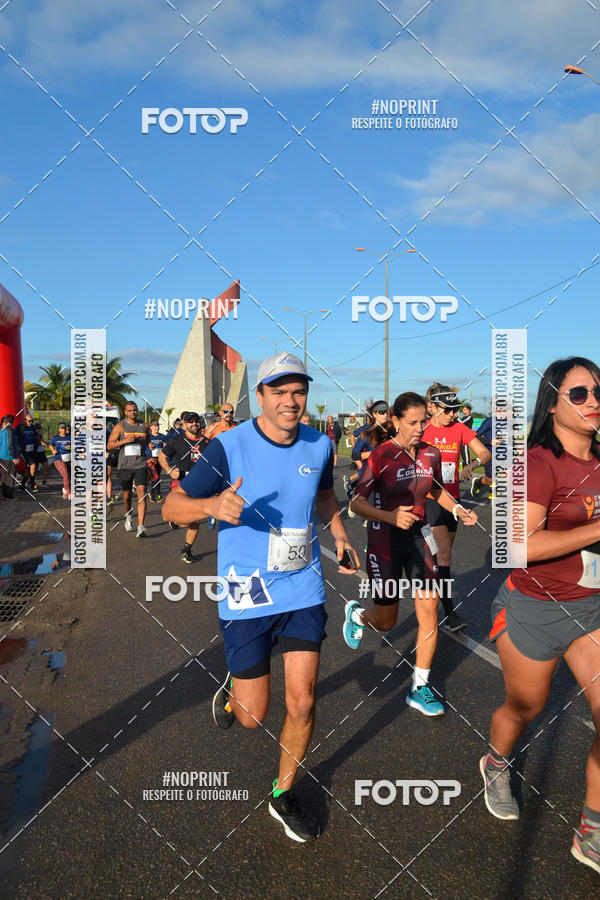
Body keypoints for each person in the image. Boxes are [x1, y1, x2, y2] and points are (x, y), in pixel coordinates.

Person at [162, 351, 358, 842]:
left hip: (303, 585)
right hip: (246, 590)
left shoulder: (320, 445)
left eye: (298, 391)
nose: (291, 401)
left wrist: (340, 536)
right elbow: (171, 506)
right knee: (252, 717)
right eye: (279, 392)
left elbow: (324, 496)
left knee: (304, 701)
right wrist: (210, 504)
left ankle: (282, 792)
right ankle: (234, 689)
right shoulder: (228, 447)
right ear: (260, 397)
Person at [481, 357, 600, 876]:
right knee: (524, 708)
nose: (593, 400)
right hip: (533, 607)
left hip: (591, 608)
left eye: (598, 390)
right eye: (579, 393)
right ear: (552, 403)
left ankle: (591, 830)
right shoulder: (535, 463)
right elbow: (518, 547)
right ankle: (496, 762)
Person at [343, 392, 477, 716]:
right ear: (395, 421)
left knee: (429, 609)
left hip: (418, 537)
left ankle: (419, 687)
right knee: (386, 622)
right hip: (384, 542)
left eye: (422, 422)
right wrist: (390, 517)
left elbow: (434, 489)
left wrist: (457, 508)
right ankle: (359, 615)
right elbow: (355, 503)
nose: (420, 428)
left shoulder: (430, 454)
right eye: (412, 423)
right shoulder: (381, 455)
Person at [422, 386, 490, 632]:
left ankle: (433, 588)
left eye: (455, 410)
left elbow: (485, 452)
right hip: (430, 497)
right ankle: (449, 612)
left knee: (443, 557)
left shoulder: (459, 428)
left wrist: (473, 463)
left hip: (453, 500)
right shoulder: (423, 430)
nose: (453, 414)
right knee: (445, 553)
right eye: (448, 410)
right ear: (433, 408)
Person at [158, 412, 208, 562]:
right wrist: (169, 470)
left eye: (197, 421)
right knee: (183, 519)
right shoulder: (177, 441)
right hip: (180, 482)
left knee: (195, 519)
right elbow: (162, 457)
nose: (194, 423)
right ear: (184, 424)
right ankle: (174, 518)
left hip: (199, 483)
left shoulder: (207, 443)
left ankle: (186, 549)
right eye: (190, 421)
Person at [107, 402, 150, 538]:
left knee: (141, 493)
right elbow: (109, 445)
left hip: (141, 464)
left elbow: (147, 441)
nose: (133, 413)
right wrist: (125, 441)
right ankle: (129, 515)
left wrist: (150, 447)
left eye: (135, 410)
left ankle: (141, 526)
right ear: (125, 412)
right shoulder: (120, 426)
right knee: (127, 495)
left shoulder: (144, 426)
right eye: (130, 411)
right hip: (125, 466)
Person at [16, 412, 43, 492]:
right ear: (24, 420)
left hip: (32, 450)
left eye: (32, 421)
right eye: (29, 421)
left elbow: (36, 436)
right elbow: (14, 437)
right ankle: (32, 484)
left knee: (29, 469)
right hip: (24, 451)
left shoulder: (32, 428)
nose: (31, 423)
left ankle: (22, 485)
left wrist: (41, 441)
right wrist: (17, 446)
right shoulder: (20, 428)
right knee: (32, 466)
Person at [48, 422, 72, 500]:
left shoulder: (70, 437)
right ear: (58, 429)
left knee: (70, 476)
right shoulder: (55, 438)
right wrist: (53, 450)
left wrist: (71, 447)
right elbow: (50, 445)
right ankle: (69, 493)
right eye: (61, 428)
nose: (63, 429)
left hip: (69, 459)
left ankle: (65, 490)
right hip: (59, 459)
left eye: (65, 428)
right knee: (65, 474)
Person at [146, 419, 168, 502]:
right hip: (151, 459)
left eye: (157, 426)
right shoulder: (148, 436)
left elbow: (166, 446)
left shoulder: (162, 436)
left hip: (159, 459)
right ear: (151, 427)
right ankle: (156, 495)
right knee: (156, 477)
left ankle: (154, 494)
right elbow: (145, 445)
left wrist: (165, 447)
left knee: (156, 477)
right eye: (154, 426)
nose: (156, 427)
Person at [0, 415, 18, 500]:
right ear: (11, 422)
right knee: (10, 476)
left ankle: (5, 495)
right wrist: (13, 457)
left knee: (4, 476)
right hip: (8, 458)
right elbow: (10, 444)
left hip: (2, 457)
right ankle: (8, 495)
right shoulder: (9, 431)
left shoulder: (1, 431)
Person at [459, 403, 473, 468]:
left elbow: (461, 423)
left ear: (468, 410)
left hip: (466, 437)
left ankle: (467, 466)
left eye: (464, 409)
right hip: (461, 437)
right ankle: (464, 466)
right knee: (462, 452)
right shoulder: (464, 417)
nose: (463, 411)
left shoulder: (469, 417)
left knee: (465, 452)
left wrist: (456, 417)